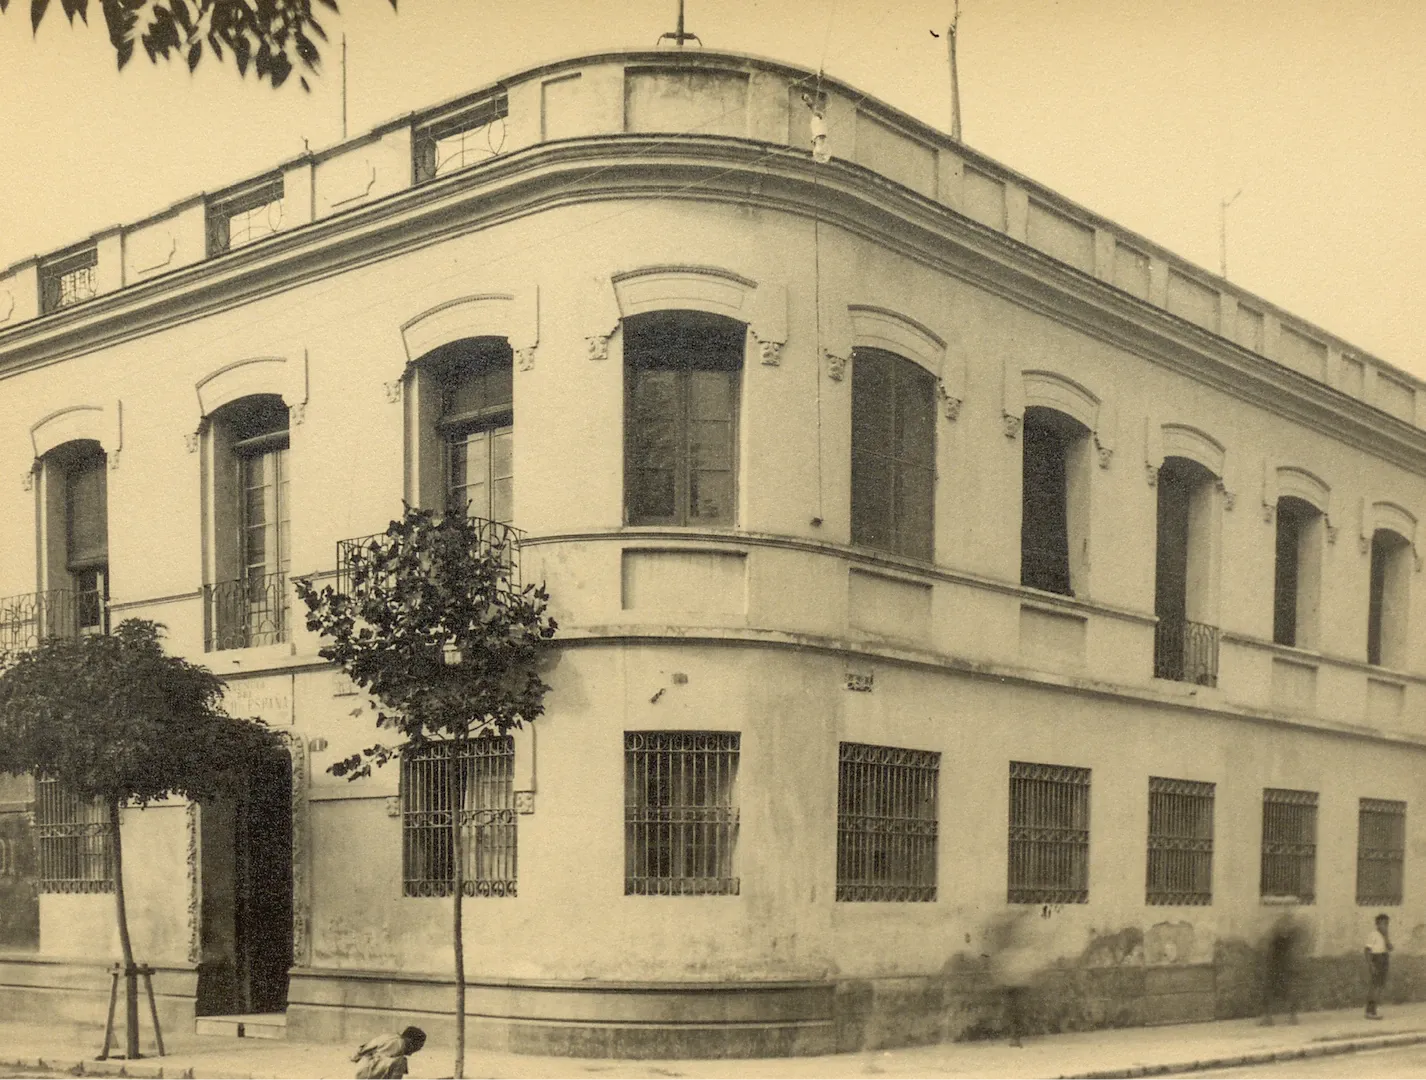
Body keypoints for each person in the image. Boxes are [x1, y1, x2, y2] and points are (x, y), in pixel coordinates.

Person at [986, 908, 1039, 1047]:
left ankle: (1015, 1036)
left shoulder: (1008, 951)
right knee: (1014, 1011)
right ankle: (1015, 1036)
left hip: (1014, 983)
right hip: (1013, 983)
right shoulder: (1007, 951)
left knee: (1014, 1011)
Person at [1259, 911, 1304, 1026]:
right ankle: (1288, 1017)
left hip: (1279, 966)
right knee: (1285, 990)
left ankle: (1270, 1018)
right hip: (1282, 966)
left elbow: (1269, 948)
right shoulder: (1290, 935)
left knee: (1274, 990)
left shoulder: (1280, 936)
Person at [351, 1025, 427, 1080]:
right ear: (410, 1041)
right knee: (401, 1061)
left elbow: (359, 1053)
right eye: (419, 1046)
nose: (419, 1049)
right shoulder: (399, 1044)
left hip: (363, 1070)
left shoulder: (391, 1037)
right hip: (368, 1073)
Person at [1365, 913, 1393, 1019]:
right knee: (1375, 986)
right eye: (1383, 923)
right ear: (1377, 924)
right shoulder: (1373, 935)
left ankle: (1373, 1010)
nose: (1385, 926)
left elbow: (1390, 948)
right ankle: (1370, 1011)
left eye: (1387, 923)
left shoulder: (1385, 935)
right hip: (1377, 960)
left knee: (1380, 986)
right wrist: (1371, 965)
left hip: (1384, 959)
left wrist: (1386, 937)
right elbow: (1367, 950)